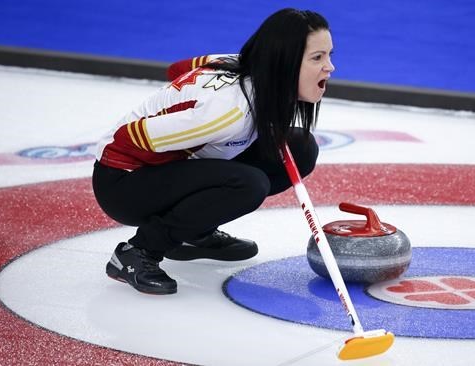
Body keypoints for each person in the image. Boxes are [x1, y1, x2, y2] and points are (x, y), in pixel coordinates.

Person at [91, 8, 335, 295]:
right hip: (122, 181)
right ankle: (138, 251)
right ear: (284, 62)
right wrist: (192, 162)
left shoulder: (241, 63)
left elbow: (179, 68)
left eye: (329, 55)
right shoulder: (228, 114)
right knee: (247, 184)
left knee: (301, 148)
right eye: (317, 58)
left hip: (161, 167)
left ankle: (192, 232)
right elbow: (126, 140)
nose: (329, 67)